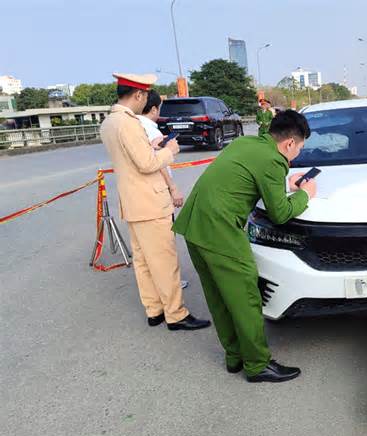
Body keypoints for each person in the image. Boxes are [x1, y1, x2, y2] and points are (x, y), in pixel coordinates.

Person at [173, 110, 316, 382]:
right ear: (289, 144)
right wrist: (305, 195)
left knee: (219, 297)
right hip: (220, 231)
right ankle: (258, 364)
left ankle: (235, 357)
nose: (298, 153)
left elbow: (246, 178)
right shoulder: (274, 161)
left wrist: (281, 184)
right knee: (245, 297)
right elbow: (280, 213)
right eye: (300, 148)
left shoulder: (246, 143)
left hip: (194, 227)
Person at [100, 72, 210, 331]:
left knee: (143, 261)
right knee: (164, 262)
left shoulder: (109, 122)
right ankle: (176, 314)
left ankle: (154, 310)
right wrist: (169, 152)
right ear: (138, 95)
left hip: (133, 202)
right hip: (150, 202)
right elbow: (147, 163)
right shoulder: (128, 123)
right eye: (144, 97)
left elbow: (132, 160)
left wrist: (155, 150)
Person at [137, 90, 189, 290]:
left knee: (148, 248)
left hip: (142, 195)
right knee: (165, 244)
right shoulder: (150, 129)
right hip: (158, 192)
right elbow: (156, 163)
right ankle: (170, 285)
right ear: (153, 109)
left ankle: (157, 285)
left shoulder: (133, 126)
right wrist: (173, 189)